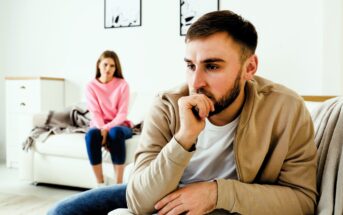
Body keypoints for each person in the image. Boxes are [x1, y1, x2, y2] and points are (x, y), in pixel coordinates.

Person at [48, 10, 317, 215]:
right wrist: (183, 138)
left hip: (232, 204)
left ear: (249, 68)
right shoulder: (166, 106)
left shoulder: (286, 109)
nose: (196, 82)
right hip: (161, 194)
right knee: (60, 212)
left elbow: (303, 200)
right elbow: (140, 201)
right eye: (190, 65)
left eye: (212, 66)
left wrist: (216, 193)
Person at [85, 50, 133, 186]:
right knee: (91, 135)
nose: (108, 69)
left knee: (115, 132)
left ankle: (118, 184)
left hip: (120, 125)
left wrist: (106, 128)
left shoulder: (123, 84)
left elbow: (122, 114)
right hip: (98, 125)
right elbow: (95, 112)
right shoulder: (91, 86)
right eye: (105, 64)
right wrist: (101, 129)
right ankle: (100, 183)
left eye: (112, 66)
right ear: (98, 65)